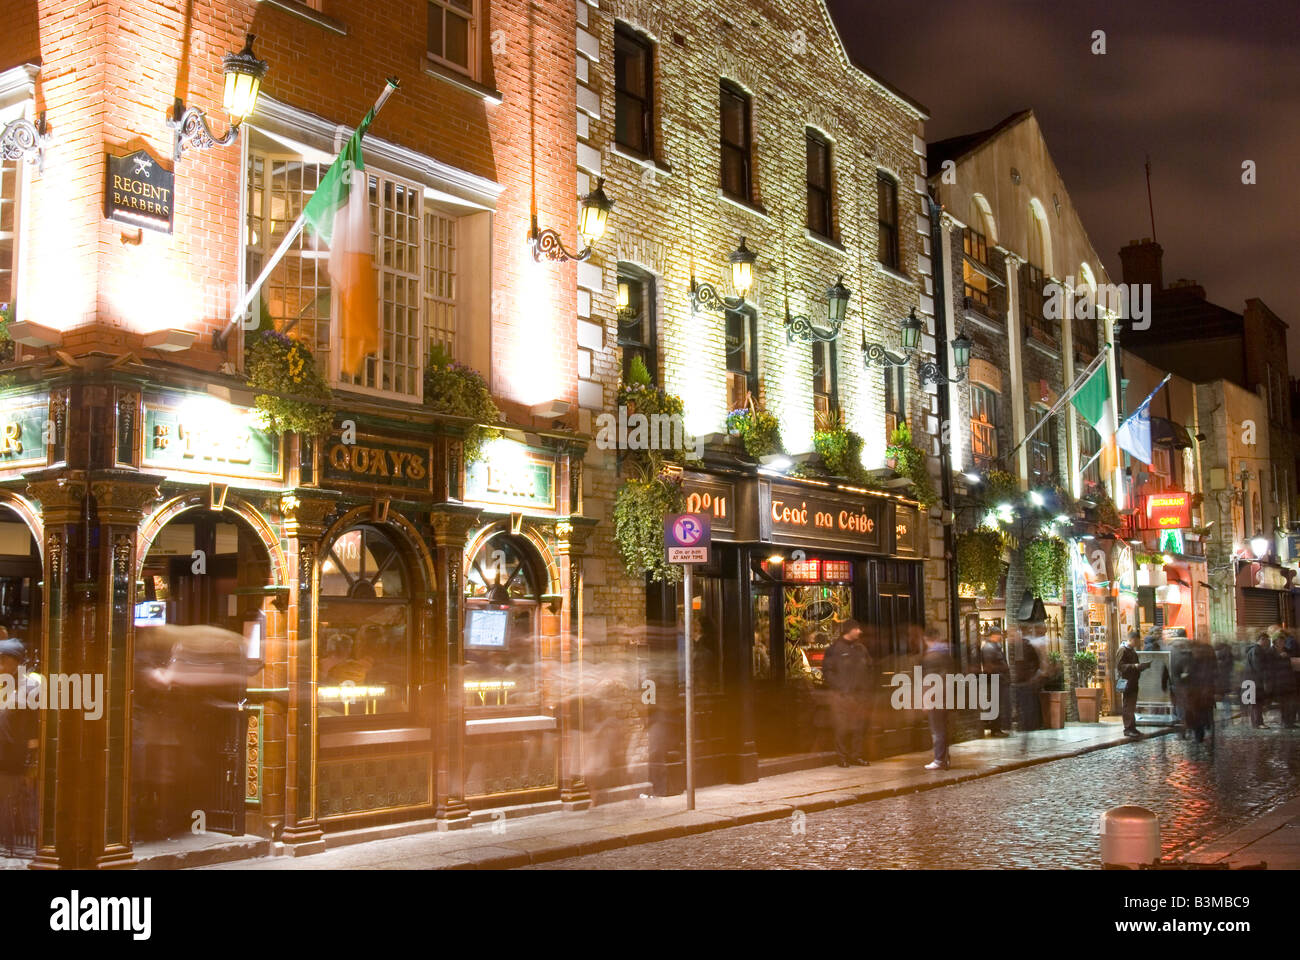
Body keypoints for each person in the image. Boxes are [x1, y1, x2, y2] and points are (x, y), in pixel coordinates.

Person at [0, 639, 39, 855]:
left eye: (2, 660)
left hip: (15, 757)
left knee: (15, 802)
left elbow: (34, 726)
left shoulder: (31, 687)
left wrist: (31, 760)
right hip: (4, 755)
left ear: (15, 662)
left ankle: (14, 845)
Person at [821, 620, 871, 768]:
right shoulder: (834, 649)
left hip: (860, 696)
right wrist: (840, 687)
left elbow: (870, 668)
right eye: (857, 628)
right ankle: (842, 757)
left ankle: (856, 756)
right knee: (842, 727)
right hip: (842, 696)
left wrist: (866, 688)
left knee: (859, 727)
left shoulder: (861, 649)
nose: (860, 631)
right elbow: (827, 671)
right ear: (849, 630)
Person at [923, 629, 954, 770]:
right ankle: (945, 758)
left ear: (927, 639)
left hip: (936, 698)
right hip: (948, 697)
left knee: (937, 730)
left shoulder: (931, 657)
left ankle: (939, 760)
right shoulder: (947, 654)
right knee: (944, 729)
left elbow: (930, 681)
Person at [1183, 636, 1218, 742]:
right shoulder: (1209, 652)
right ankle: (1208, 728)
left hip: (1196, 689)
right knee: (1206, 711)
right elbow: (1215, 671)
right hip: (1206, 688)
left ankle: (1199, 734)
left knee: (1197, 712)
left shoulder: (1192, 655)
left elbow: (1189, 672)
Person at [1117, 629, 1151, 737]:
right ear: (1131, 639)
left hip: (1133, 681)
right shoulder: (1123, 650)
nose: (1137, 643)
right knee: (1128, 705)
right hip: (1127, 681)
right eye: (1136, 641)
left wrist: (1141, 667)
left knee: (1132, 705)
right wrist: (1135, 666)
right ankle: (1128, 728)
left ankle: (1132, 727)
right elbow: (1120, 666)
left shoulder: (1132, 650)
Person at [979, 630, 1012, 737]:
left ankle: (997, 728)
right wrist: (1002, 669)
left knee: (998, 705)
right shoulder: (989, 648)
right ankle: (995, 730)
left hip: (999, 680)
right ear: (994, 635)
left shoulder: (994, 647)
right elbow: (989, 667)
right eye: (999, 635)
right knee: (995, 705)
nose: (1001, 637)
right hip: (995, 680)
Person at [1245, 632, 1273, 729]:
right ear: (1261, 639)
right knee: (1257, 702)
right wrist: (1265, 679)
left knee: (1255, 702)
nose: (1267, 642)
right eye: (1266, 640)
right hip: (1256, 681)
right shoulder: (1257, 650)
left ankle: (1257, 723)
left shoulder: (1255, 650)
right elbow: (1259, 667)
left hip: (1252, 680)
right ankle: (1258, 723)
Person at [1270, 631, 1296, 729]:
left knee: (1291, 702)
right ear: (1275, 641)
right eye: (1280, 641)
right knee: (1283, 703)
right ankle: (1285, 722)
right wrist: (1279, 657)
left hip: (1289, 680)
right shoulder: (1271, 652)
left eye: (1283, 641)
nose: (1282, 643)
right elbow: (1270, 666)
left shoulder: (1287, 650)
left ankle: (1290, 721)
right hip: (1278, 681)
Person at [1213, 639, 1235, 724]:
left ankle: (1225, 716)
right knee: (1225, 698)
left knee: (1222, 698)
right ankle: (1227, 716)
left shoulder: (1218, 654)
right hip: (1224, 680)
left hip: (1219, 680)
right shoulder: (1228, 654)